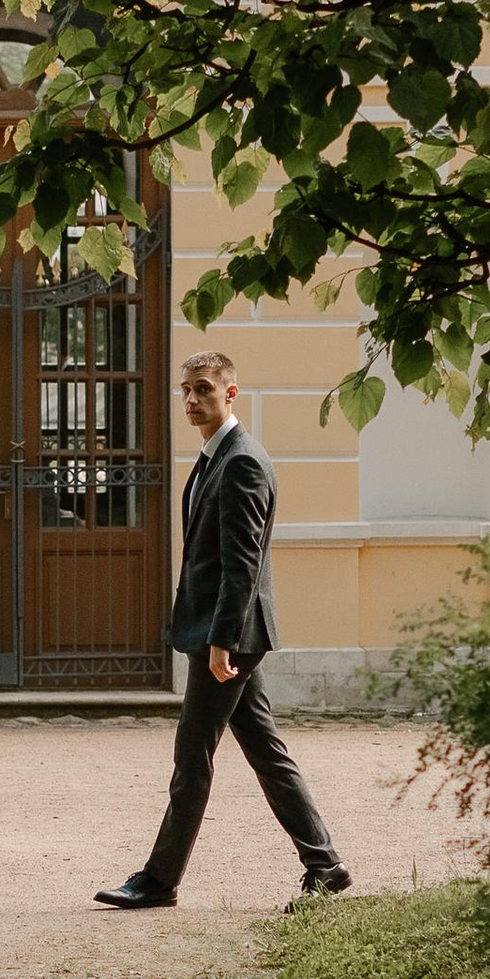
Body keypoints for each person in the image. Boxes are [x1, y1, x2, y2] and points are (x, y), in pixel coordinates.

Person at [94, 347, 352, 911]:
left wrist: (222, 642)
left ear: (230, 393)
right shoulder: (217, 456)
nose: (191, 399)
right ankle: (325, 864)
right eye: (186, 390)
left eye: (204, 389)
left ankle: (159, 880)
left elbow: (244, 565)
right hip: (224, 633)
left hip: (228, 638)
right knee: (267, 751)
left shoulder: (242, 462)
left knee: (193, 755)